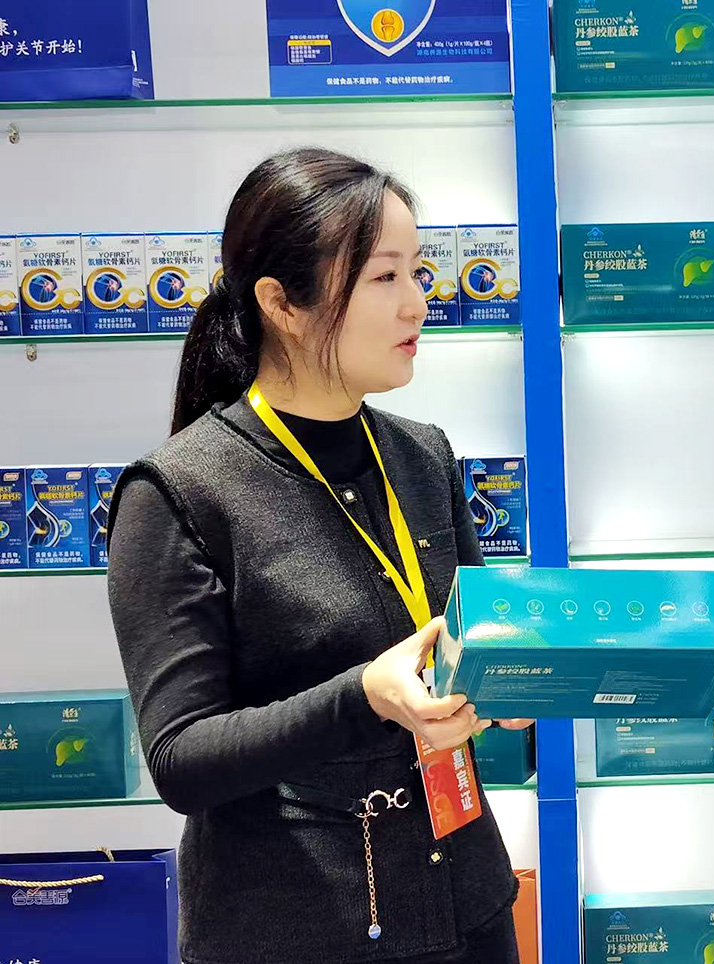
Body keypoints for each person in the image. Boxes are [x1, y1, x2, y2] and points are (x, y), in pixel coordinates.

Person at [108, 148, 528, 964]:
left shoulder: (424, 455)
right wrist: (364, 695)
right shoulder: (178, 492)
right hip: (297, 930)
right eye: (385, 277)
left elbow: (470, 644)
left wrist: (514, 684)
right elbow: (182, 759)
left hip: (470, 905)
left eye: (418, 271)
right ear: (282, 303)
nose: (419, 301)